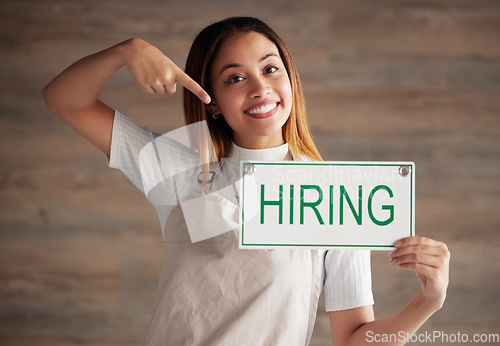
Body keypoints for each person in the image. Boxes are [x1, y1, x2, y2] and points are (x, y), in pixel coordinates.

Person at [43, 17, 450, 345]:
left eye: (271, 69)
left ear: (289, 79)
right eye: (235, 78)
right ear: (213, 101)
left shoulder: (335, 196)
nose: (260, 88)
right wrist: (126, 51)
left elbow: (352, 341)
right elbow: (63, 99)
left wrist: (426, 302)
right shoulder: (180, 168)